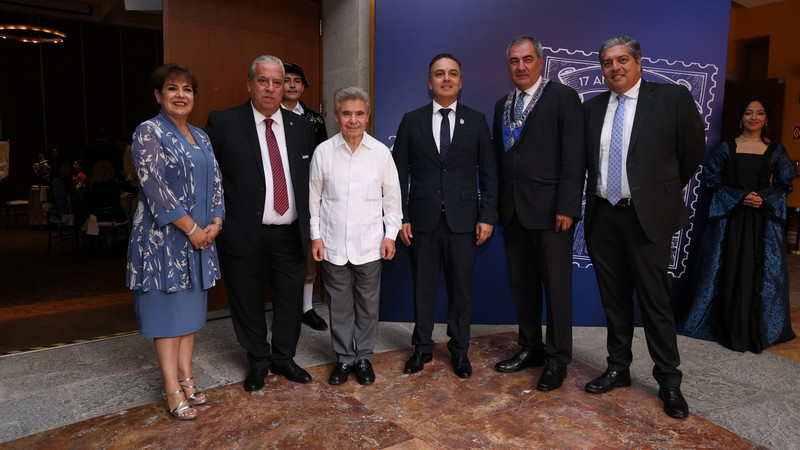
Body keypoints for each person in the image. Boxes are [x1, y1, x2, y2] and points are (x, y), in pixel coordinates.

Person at [582, 36, 705, 419]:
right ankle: (618, 368)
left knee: (655, 302)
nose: (614, 68)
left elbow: (692, 152)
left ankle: (669, 380)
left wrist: (658, 193)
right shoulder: (593, 107)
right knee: (614, 300)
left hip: (646, 217)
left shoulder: (671, 98)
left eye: (621, 60)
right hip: (604, 215)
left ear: (637, 62)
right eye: (607, 63)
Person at [205, 55, 318, 391]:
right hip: (244, 233)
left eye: (277, 82)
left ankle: (283, 358)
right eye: (263, 81)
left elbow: (311, 182)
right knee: (247, 301)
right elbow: (210, 179)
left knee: (289, 301)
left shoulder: (303, 128)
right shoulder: (223, 123)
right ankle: (258, 361)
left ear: (286, 87)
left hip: (290, 234)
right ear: (250, 84)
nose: (271, 88)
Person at [126, 63, 225, 420]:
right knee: (168, 317)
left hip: (200, 239)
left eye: (187, 89)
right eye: (172, 89)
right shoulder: (148, 132)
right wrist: (192, 229)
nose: (181, 95)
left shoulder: (202, 135)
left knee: (188, 315)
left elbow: (215, 182)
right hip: (163, 243)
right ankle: (171, 387)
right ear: (158, 95)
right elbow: (154, 189)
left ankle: (187, 376)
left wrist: (215, 222)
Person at [393, 53, 498, 379]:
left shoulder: (477, 120)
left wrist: (487, 216)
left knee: (460, 291)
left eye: (453, 73)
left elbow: (490, 173)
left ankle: (459, 351)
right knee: (423, 289)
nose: (446, 79)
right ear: (430, 82)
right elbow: (396, 173)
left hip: (464, 220)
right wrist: (401, 216)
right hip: (421, 221)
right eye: (439, 74)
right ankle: (422, 348)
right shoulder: (412, 120)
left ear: (461, 81)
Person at [491, 36, 585, 392]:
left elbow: (574, 157)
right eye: (514, 61)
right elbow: (500, 160)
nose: (521, 66)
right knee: (523, 285)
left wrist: (567, 206)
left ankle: (558, 359)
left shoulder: (563, 97)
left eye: (527, 59)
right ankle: (531, 348)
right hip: (514, 212)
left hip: (551, 213)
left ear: (540, 62)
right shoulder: (503, 104)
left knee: (557, 289)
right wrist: (499, 203)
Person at [678, 97, 796, 353]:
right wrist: (740, 197)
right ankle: (726, 325)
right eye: (749, 113)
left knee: (760, 273)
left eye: (760, 113)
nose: (754, 117)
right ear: (740, 117)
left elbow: (785, 182)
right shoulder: (725, 149)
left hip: (762, 222)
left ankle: (756, 329)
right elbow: (711, 180)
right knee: (728, 268)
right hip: (730, 222)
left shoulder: (776, 150)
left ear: (767, 119)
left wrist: (762, 197)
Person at [309, 87, 402, 385]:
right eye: (346, 113)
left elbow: (392, 200)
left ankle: (363, 357)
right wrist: (316, 236)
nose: (353, 120)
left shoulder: (380, 154)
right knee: (338, 305)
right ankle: (344, 358)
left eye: (359, 113)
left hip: (371, 244)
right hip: (333, 243)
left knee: (367, 304)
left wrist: (391, 236)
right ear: (336, 116)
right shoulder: (323, 152)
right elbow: (314, 200)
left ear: (368, 116)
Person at [282, 62, 329, 332]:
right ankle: (285, 307)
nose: (291, 85)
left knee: (309, 251)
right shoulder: (268, 115)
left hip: (308, 193)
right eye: (286, 80)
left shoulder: (314, 120)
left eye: (297, 80)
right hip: (275, 193)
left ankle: (306, 308)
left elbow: (323, 157)